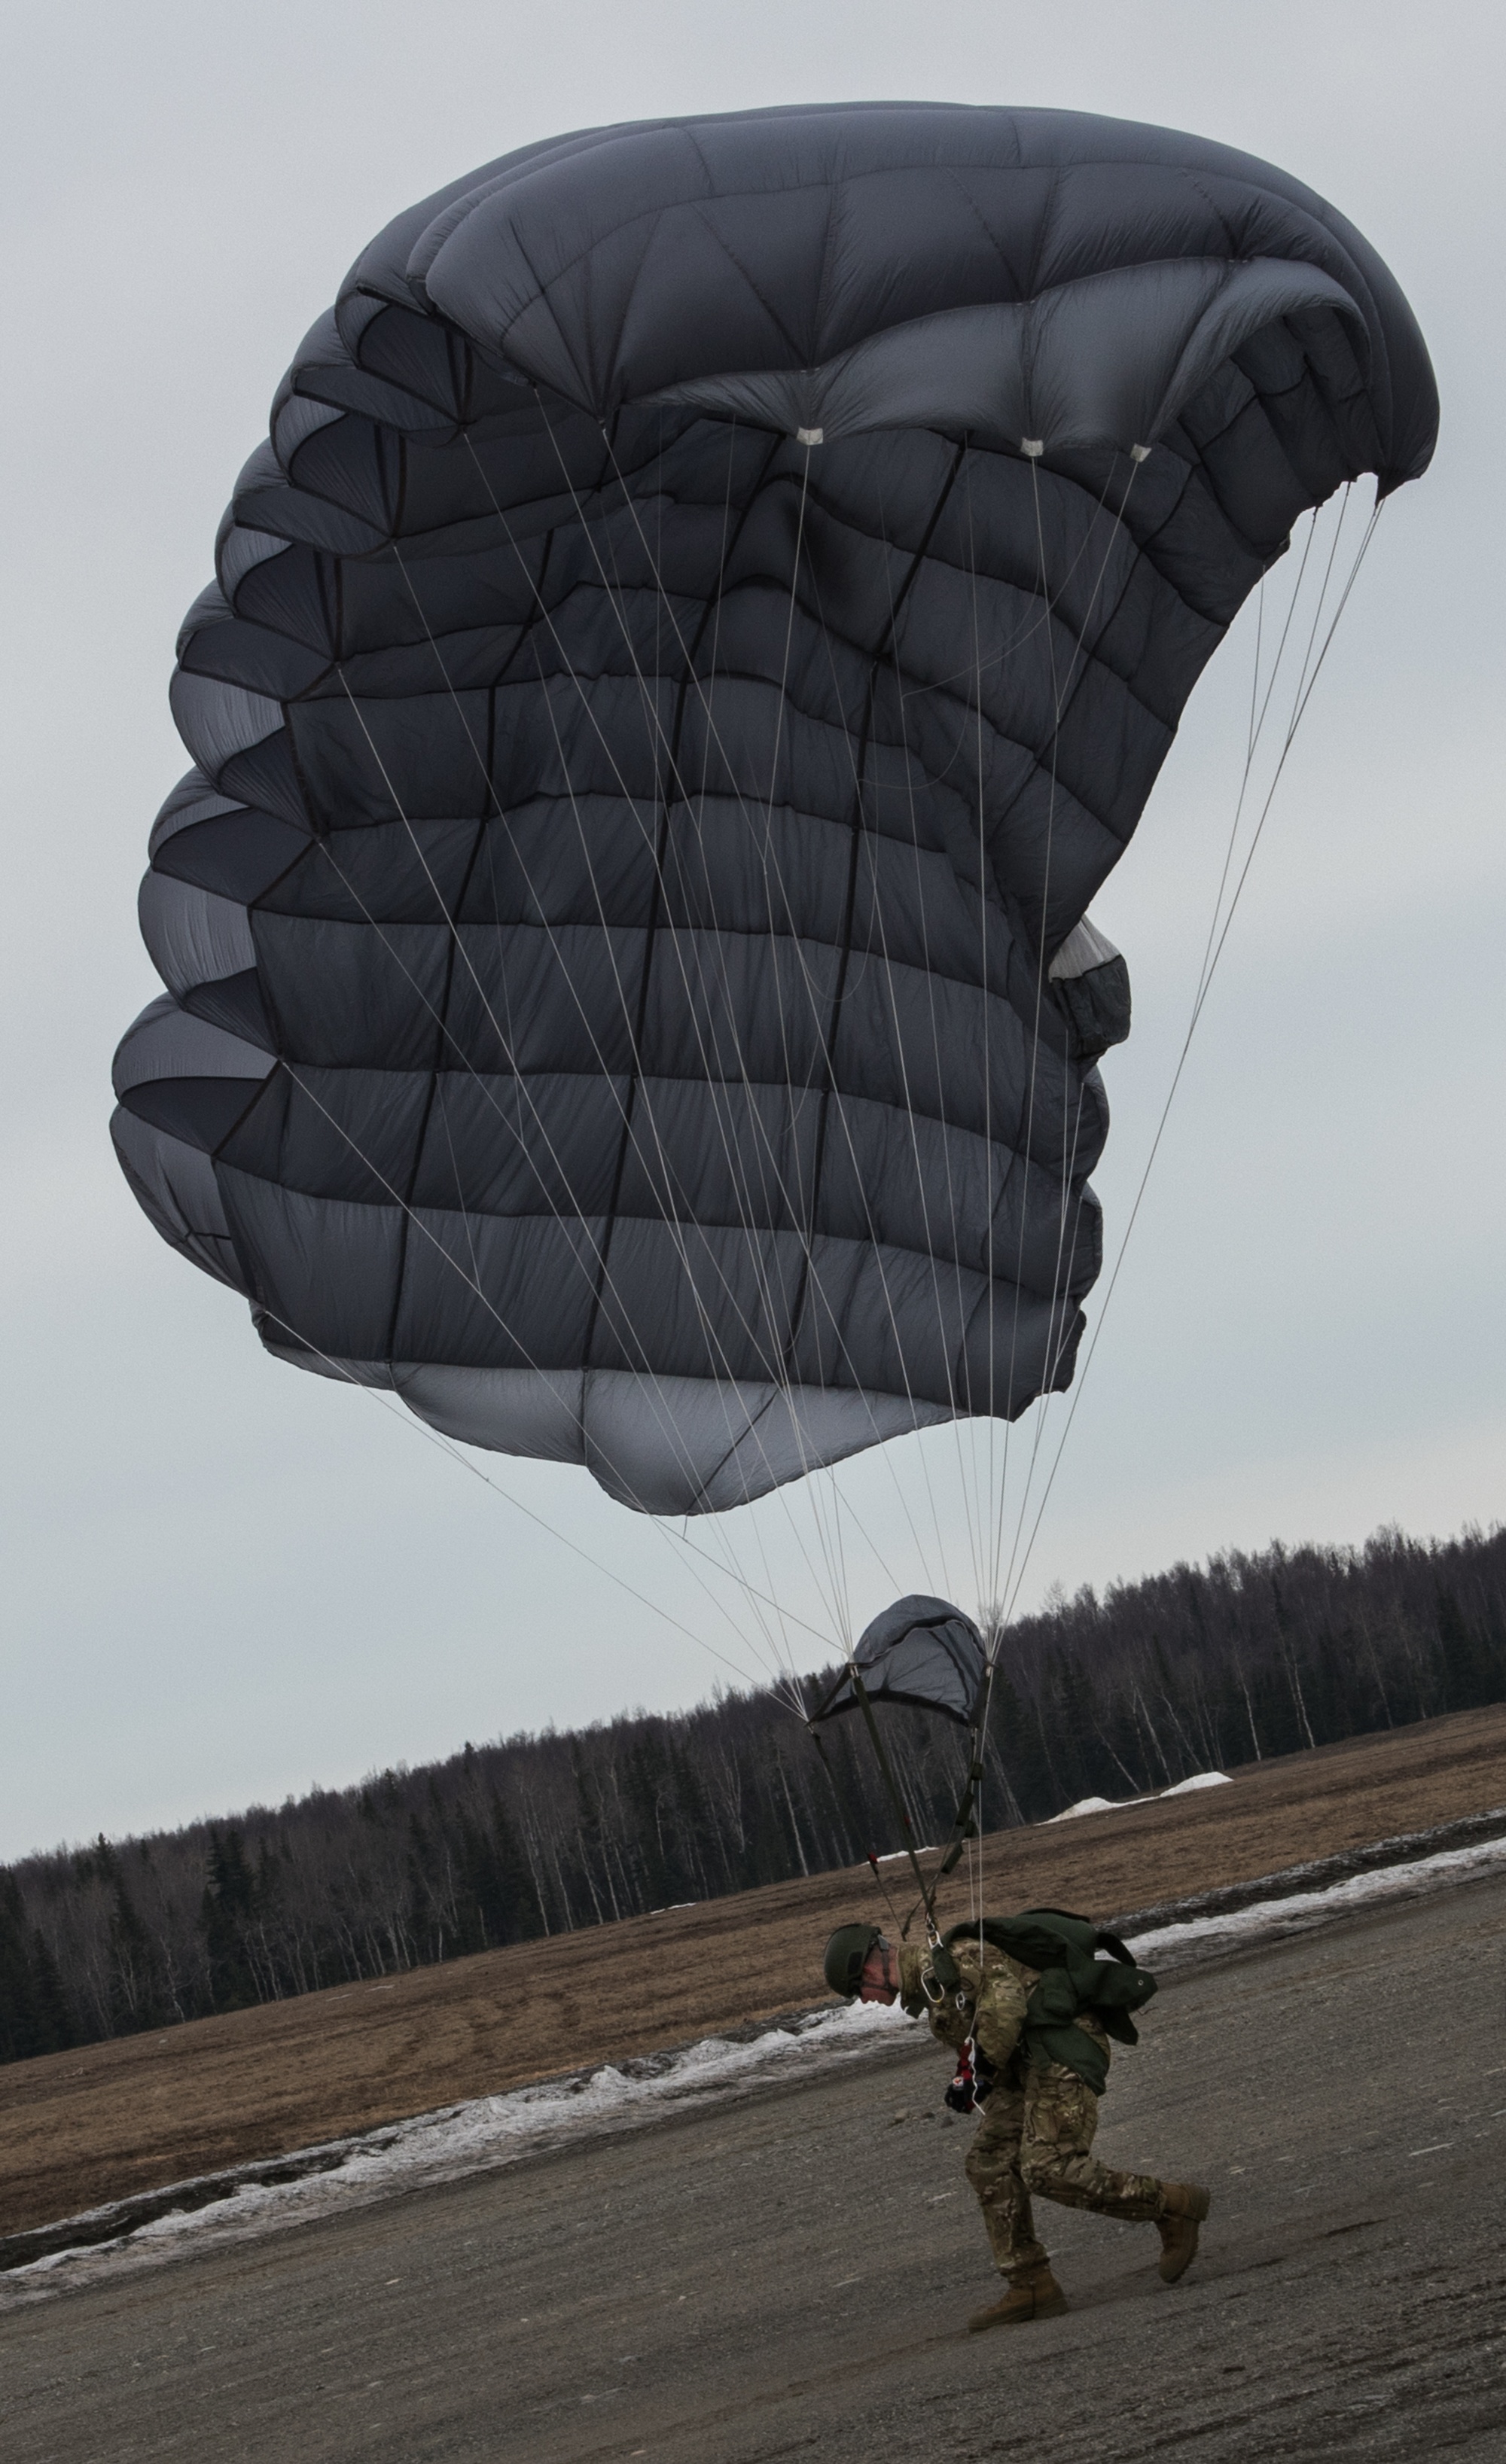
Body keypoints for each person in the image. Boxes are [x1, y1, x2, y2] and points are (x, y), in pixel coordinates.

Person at [822, 1918, 1210, 2329]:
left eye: (857, 1991)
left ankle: (1172, 2206)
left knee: (1046, 2166)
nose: (864, 2001)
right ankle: (1030, 2284)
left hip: (1060, 2047)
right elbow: (981, 2031)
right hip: (1024, 2068)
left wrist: (977, 2073)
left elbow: (1006, 2005)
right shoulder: (934, 1988)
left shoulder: (955, 1960)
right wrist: (969, 2078)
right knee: (988, 2162)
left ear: (868, 1970)